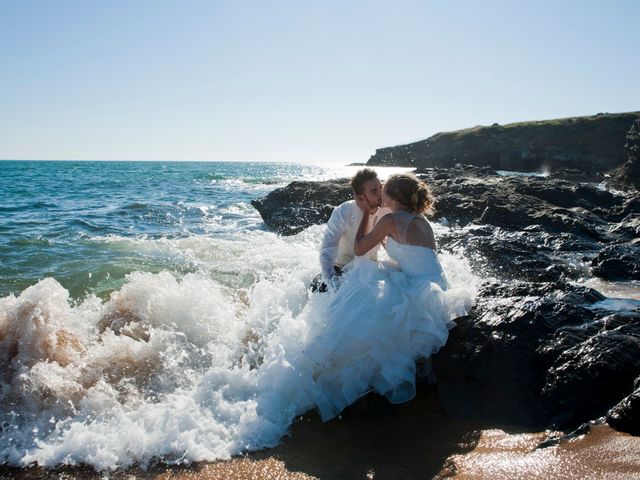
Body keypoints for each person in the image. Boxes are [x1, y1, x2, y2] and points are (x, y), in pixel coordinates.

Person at [302, 172, 474, 421]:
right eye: (375, 191)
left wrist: (367, 218)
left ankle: (340, 376)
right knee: (374, 278)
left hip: (418, 289)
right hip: (438, 287)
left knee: (365, 285)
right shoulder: (421, 220)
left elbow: (360, 248)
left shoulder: (390, 218)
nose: (380, 194)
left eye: (383, 190)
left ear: (394, 197)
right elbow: (409, 253)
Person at [311, 168, 388, 292]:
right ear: (360, 197)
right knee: (316, 288)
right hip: (342, 269)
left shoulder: (386, 211)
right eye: (374, 191)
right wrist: (333, 285)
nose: (381, 193)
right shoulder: (343, 211)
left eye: (381, 187)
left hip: (371, 270)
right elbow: (327, 251)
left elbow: (391, 246)